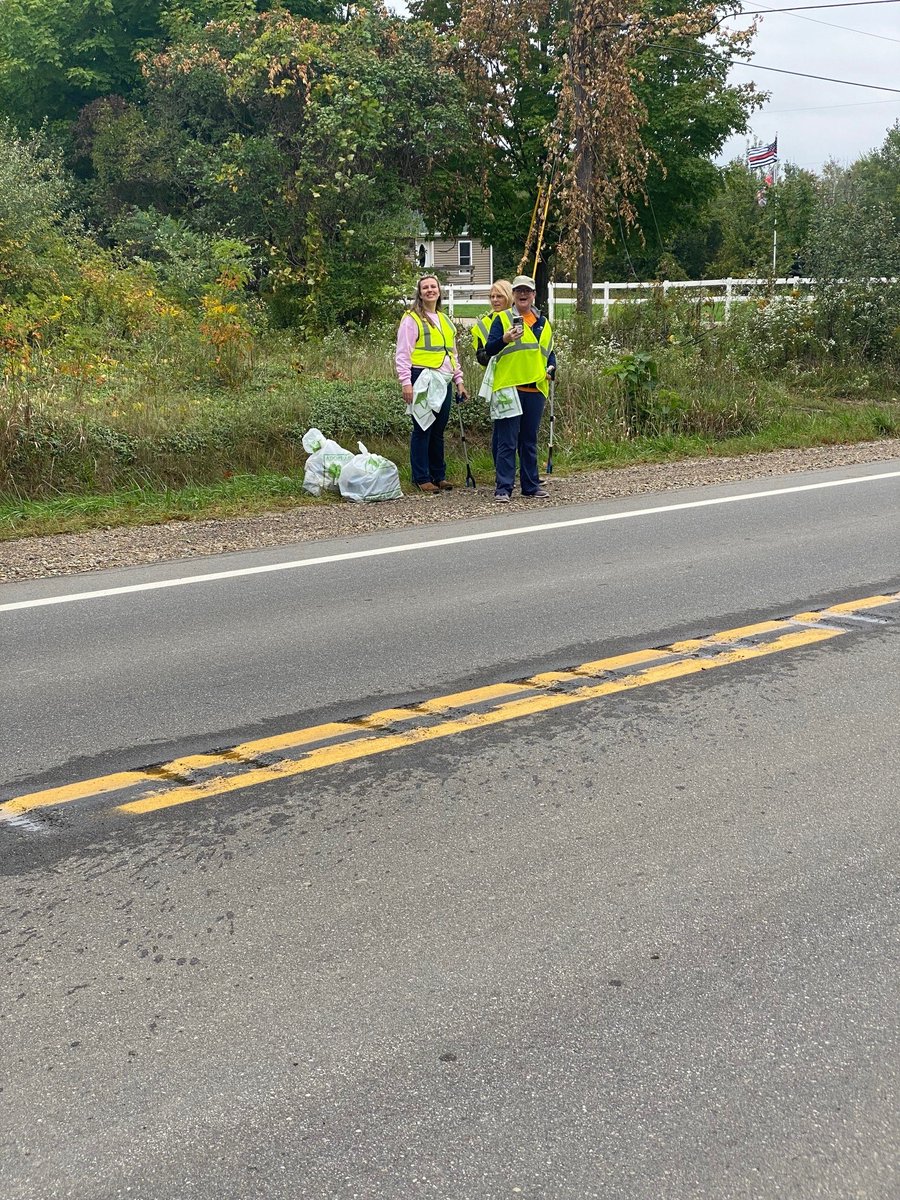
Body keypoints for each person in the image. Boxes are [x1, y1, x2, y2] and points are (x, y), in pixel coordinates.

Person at [480, 274, 556, 503]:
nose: (523, 295)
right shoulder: (502, 319)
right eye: (519, 291)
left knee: (529, 440)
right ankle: (503, 488)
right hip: (509, 388)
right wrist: (504, 339)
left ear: (533, 295)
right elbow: (489, 350)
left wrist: (552, 368)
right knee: (507, 441)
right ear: (513, 295)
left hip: (535, 388)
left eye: (527, 291)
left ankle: (530, 486)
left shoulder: (542, 322)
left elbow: (549, 352)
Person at [395, 275, 468, 493]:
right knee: (422, 427)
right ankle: (422, 477)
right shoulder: (412, 319)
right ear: (419, 293)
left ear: (439, 291)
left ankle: (439, 475)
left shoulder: (445, 320)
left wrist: (459, 381)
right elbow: (402, 354)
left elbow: (452, 354)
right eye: (425, 287)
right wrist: (406, 382)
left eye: (433, 287)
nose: (430, 290)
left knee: (438, 429)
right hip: (422, 378)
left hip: (443, 379)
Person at [471, 279, 513, 470]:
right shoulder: (483, 325)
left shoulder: (520, 317)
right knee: (501, 430)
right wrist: (497, 349)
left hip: (521, 377)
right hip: (498, 380)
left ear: (509, 297)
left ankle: (522, 471)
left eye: (499, 296)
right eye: (492, 297)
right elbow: (481, 355)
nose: (495, 300)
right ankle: (501, 471)